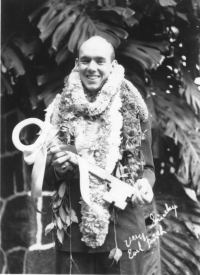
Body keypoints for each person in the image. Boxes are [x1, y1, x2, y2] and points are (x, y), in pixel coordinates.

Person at [44, 35, 155, 275]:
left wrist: (145, 183)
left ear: (113, 66)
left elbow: (148, 167)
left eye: (99, 61)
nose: (91, 68)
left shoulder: (133, 108)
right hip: (73, 236)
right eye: (85, 61)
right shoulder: (59, 108)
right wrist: (57, 168)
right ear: (76, 64)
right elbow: (47, 175)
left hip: (124, 233)